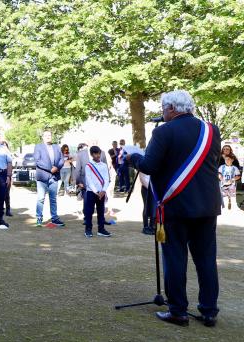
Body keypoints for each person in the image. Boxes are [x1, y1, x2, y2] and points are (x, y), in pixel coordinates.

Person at [128, 90, 221, 327]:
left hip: (176, 206)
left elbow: (148, 166)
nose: (162, 113)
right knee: (207, 260)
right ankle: (209, 311)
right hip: (208, 206)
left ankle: (178, 310)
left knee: (175, 258)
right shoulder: (212, 130)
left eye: (162, 108)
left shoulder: (164, 131)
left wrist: (133, 158)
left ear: (171, 108)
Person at [33, 131, 65, 227]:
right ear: (43, 137)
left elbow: (61, 160)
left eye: (49, 135)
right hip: (42, 176)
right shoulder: (38, 147)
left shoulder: (57, 147)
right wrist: (50, 168)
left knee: (53, 199)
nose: (48, 137)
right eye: (46, 135)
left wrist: (57, 167)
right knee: (41, 198)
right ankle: (39, 218)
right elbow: (37, 161)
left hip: (54, 176)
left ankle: (54, 218)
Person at [83, 146, 112, 238]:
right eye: (95, 153)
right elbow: (89, 180)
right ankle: (88, 229)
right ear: (92, 154)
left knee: (101, 211)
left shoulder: (104, 165)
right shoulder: (88, 166)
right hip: (92, 192)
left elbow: (107, 179)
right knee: (89, 211)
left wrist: (103, 190)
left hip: (102, 192)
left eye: (99, 153)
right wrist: (96, 191)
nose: (98, 155)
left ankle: (101, 229)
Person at [2, 141, 14, 217]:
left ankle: (8, 210)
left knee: (7, 194)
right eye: (2, 145)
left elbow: (11, 165)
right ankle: (0, 209)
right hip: (0, 175)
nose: (4, 146)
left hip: (7, 175)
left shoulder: (9, 155)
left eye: (5, 145)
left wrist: (9, 177)